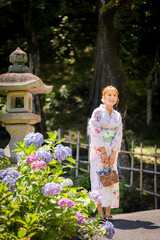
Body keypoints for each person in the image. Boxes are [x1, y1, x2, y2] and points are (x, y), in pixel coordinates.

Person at [88, 86, 123, 222]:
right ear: (103, 97)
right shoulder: (97, 113)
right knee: (98, 180)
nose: (112, 98)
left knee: (110, 180)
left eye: (114, 95)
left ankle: (108, 212)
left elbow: (119, 133)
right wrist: (103, 152)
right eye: (109, 95)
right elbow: (95, 132)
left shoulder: (117, 115)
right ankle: (101, 213)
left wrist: (114, 153)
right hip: (99, 149)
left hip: (112, 149)